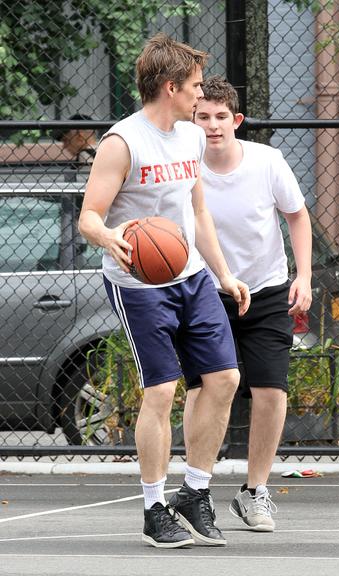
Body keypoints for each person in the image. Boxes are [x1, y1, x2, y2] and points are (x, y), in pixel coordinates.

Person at [78, 35, 250, 548]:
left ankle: (194, 492)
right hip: (139, 282)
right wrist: (109, 236)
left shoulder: (191, 138)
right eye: (196, 87)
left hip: (191, 274)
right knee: (161, 391)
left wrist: (223, 273)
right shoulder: (122, 143)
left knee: (224, 378)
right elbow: (89, 215)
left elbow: (197, 212)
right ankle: (155, 506)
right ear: (170, 87)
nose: (202, 96)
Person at [185, 75, 312, 532]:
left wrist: (305, 275)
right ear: (192, 119)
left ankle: (255, 491)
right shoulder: (184, 164)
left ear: (236, 121)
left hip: (267, 289)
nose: (213, 125)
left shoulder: (267, 161)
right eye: (204, 117)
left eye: (222, 117)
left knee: (270, 391)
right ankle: (195, 489)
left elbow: (297, 216)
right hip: (206, 291)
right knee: (200, 390)